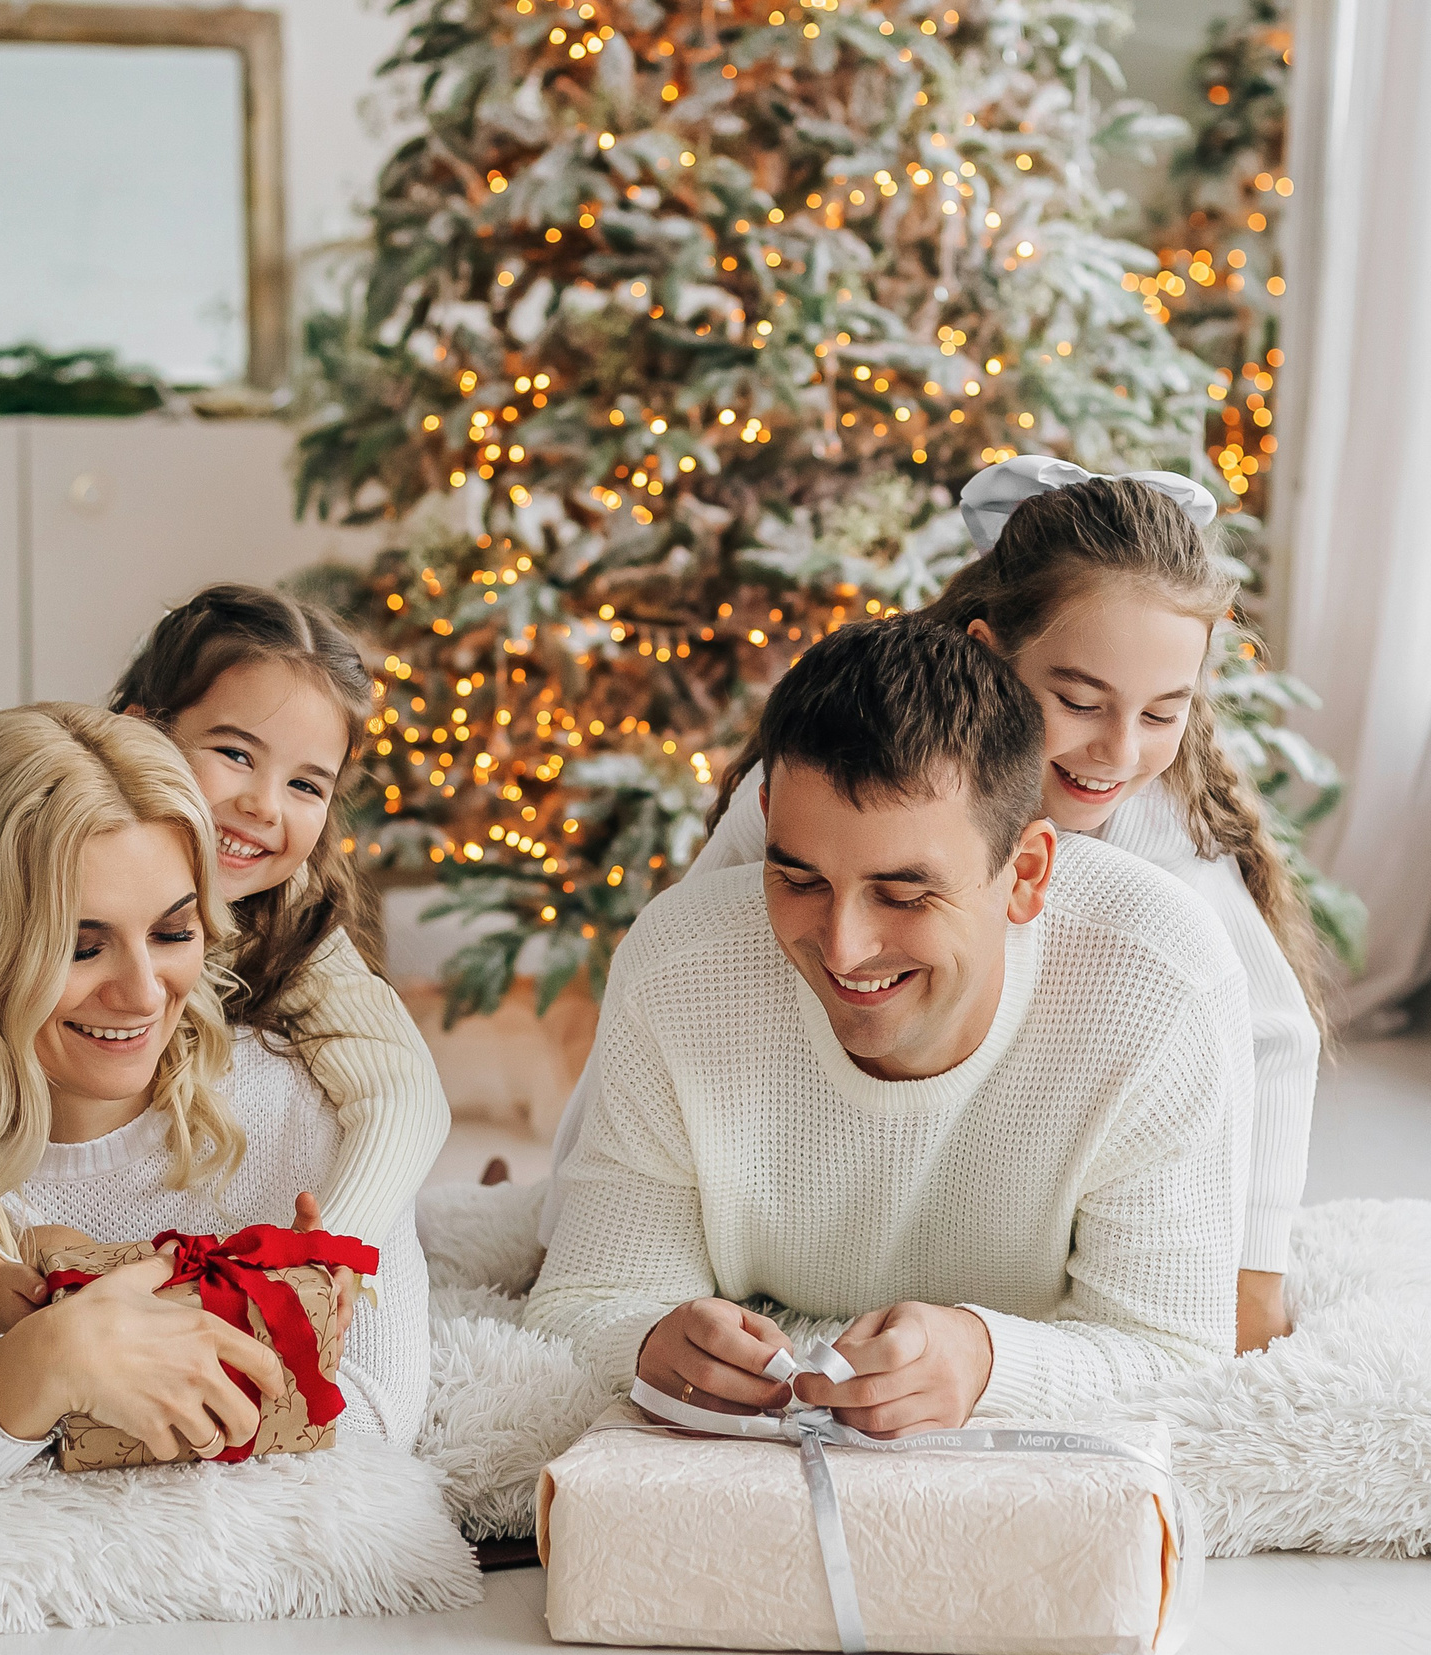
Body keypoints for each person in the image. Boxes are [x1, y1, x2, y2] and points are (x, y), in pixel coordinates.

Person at [538, 460, 1319, 1352]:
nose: (1116, 750)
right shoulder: (828, 787)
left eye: (1161, 714)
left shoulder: (1148, 821)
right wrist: (576, 1226)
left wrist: (1252, 1281)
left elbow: (1270, 1037)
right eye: (1077, 701)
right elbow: (668, 1000)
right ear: (989, 655)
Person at [523, 619, 1250, 1435]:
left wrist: (985, 1360)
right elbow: (584, 1299)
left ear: (1029, 873)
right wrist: (651, 1340)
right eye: (797, 877)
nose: (842, 947)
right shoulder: (677, 970)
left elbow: (1176, 1351)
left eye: (905, 895)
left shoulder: (1162, 985)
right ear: (765, 819)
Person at [0, 704, 428, 1481]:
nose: (144, 994)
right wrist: (49, 1361)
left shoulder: (307, 1097)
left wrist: (81, 1366)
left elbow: (375, 1420)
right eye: (81, 947)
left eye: (175, 933)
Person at [0, 586, 447, 1335]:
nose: (265, 806)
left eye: (306, 784)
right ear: (144, 734)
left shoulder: (294, 920)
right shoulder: (26, 877)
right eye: (236, 754)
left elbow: (402, 1090)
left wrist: (338, 1240)